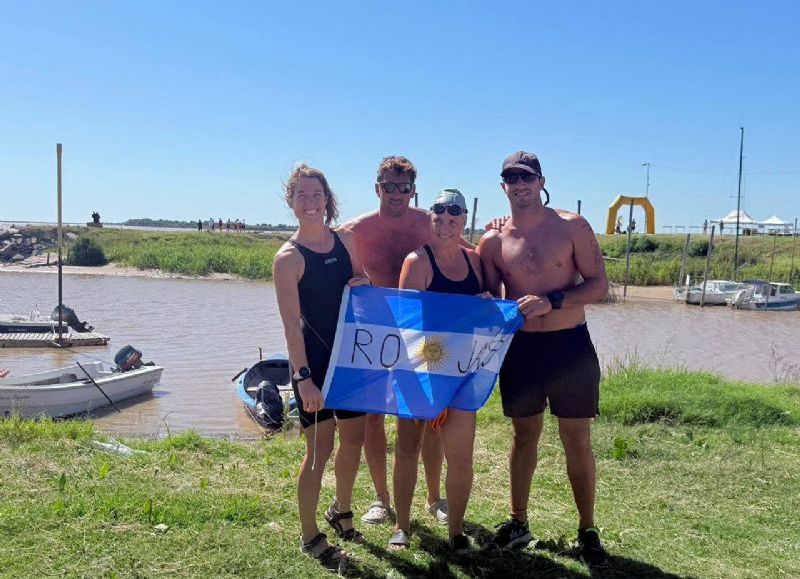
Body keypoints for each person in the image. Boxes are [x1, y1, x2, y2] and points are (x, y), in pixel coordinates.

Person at [478, 151, 609, 567]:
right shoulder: (494, 241)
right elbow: (490, 298)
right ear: (503, 187)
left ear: (540, 181)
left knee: (577, 440)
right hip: (522, 352)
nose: (519, 185)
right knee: (523, 437)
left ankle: (587, 529)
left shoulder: (571, 226)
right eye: (510, 178)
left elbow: (598, 285)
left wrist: (553, 300)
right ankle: (518, 521)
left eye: (526, 177)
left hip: (569, 346)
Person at [341, 156, 454, 527]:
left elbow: (464, 251)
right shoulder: (354, 231)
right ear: (377, 188)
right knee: (373, 416)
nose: (395, 193)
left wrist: (496, 230)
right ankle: (380, 498)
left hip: (422, 333)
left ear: (413, 191)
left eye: (403, 188)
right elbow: (319, 259)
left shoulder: (429, 223)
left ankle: (434, 497)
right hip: (374, 333)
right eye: (388, 186)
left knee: (429, 414)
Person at [273, 164, 369, 569]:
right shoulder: (288, 258)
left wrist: (365, 282)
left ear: (327, 199)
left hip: (351, 362)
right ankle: (309, 534)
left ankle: (342, 510)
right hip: (313, 369)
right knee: (318, 451)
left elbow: (363, 279)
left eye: (317, 195)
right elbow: (292, 326)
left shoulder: (346, 240)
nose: (311, 203)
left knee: (353, 441)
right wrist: (303, 379)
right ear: (291, 202)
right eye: (302, 196)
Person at [391, 188, 488, 553]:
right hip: (418, 369)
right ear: (431, 219)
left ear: (464, 220)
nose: (446, 226)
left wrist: (488, 305)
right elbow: (408, 321)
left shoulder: (475, 261)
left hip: (461, 373)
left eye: (454, 219)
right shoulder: (416, 262)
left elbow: (493, 309)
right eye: (440, 219)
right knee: (407, 449)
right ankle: (402, 525)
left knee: (461, 456)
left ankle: (457, 531)